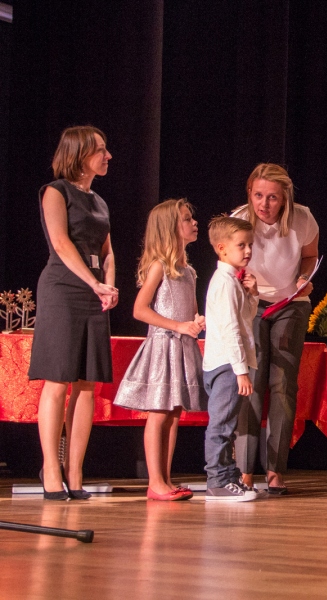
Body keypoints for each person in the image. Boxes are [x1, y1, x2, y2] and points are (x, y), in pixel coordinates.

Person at [29, 126, 118, 501]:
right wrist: (92, 282)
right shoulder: (55, 191)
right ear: (80, 154)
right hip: (64, 289)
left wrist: (109, 285)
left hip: (95, 295)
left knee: (88, 384)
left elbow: (108, 250)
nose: (108, 156)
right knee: (59, 380)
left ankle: (75, 472)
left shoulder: (99, 201)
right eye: (100, 150)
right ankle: (51, 469)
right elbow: (62, 244)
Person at [232, 163, 319, 495]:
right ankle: (243, 471)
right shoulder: (239, 218)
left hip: (291, 306)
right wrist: (244, 278)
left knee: (283, 385)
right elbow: (228, 260)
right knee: (251, 384)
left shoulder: (303, 219)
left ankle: (275, 470)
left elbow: (310, 257)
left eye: (272, 198)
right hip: (252, 304)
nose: (264, 204)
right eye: (258, 196)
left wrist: (304, 279)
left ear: (284, 199)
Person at [114, 199, 208, 501]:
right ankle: (155, 482)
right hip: (163, 346)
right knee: (158, 413)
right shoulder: (160, 268)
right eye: (186, 219)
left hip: (182, 347)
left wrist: (196, 322)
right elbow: (140, 310)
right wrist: (178, 326)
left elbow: (190, 312)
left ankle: (165, 479)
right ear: (170, 229)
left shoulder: (189, 272)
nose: (194, 223)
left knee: (173, 414)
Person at [203, 216, 262, 501]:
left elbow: (244, 320)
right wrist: (240, 371)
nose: (248, 250)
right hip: (226, 363)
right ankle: (217, 480)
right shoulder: (224, 282)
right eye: (242, 245)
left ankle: (227, 476)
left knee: (228, 423)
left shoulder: (233, 281)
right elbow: (229, 330)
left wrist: (252, 296)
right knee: (222, 424)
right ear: (222, 248)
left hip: (231, 363)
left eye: (250, 244)